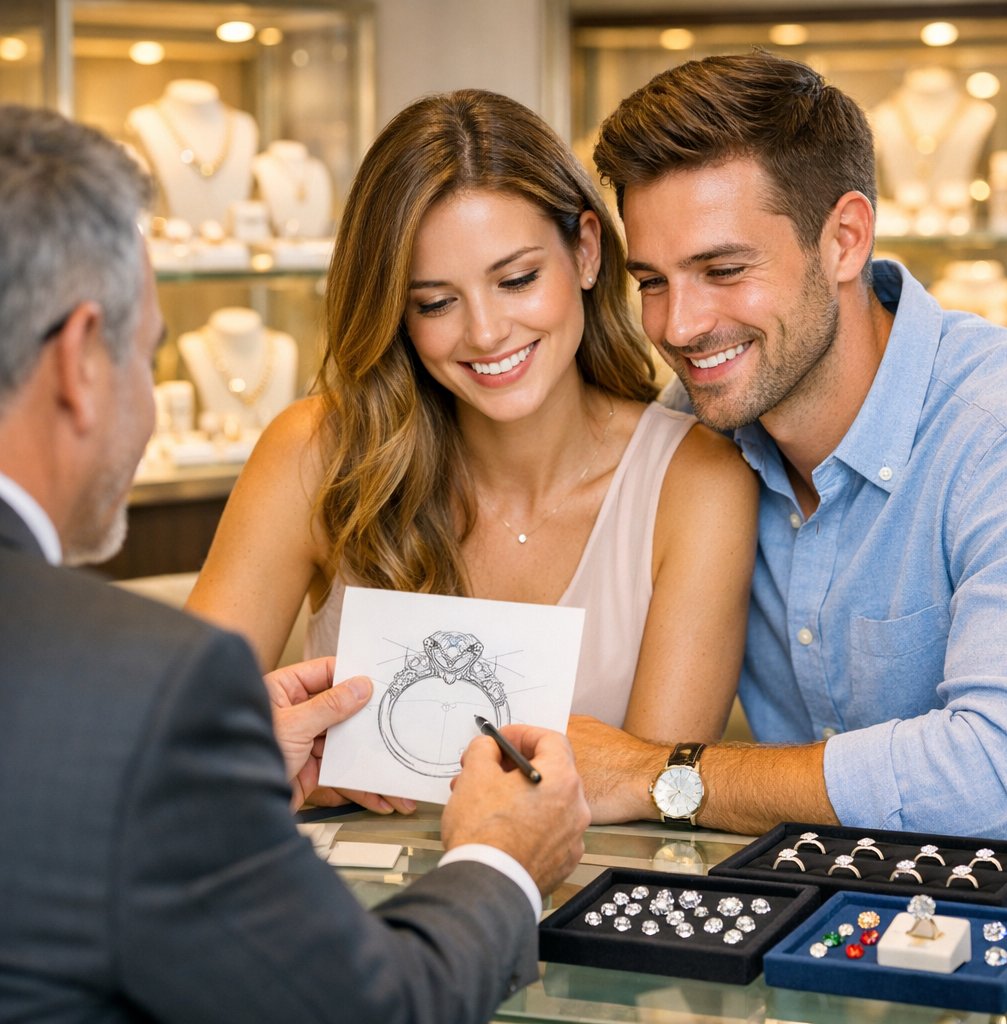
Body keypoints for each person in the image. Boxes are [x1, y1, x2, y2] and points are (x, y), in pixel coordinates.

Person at [0, 102, 591, 1022]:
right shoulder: (140, 689)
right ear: (81, 360)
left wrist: (221, 766)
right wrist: (498, 860)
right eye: (151, 355)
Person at [185, 88, 758, 813]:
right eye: (435, 302)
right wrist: (280, 770)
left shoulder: (698, 481)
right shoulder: (314, 453)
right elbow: (169, 746)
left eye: (516, 279)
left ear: (585, 251)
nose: (485, 333)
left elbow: (653, 810)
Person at [574, 49, 1007, 840]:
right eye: (652, 281)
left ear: (845, 239)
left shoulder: (1001, 431)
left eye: (723, 268)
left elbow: (999, 771)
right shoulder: (694, 429)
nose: (677, 327)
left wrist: (662, 774)